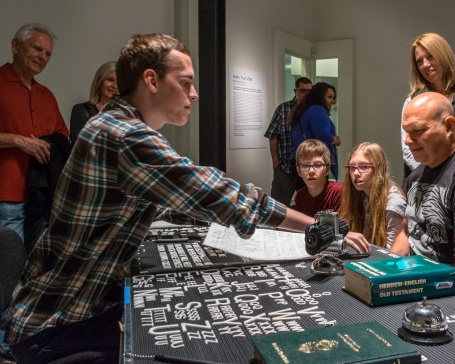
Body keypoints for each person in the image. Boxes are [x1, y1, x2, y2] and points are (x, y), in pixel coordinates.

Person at [3, 33, 371, 363]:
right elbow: (215, 192)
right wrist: (319, 228)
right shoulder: (126, 135)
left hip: (64, 309)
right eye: (185, 82)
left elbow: (180, 194)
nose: (194, 94)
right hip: (55, 325)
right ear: (151, 80)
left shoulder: (114, 126)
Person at [401, 92, 455, 285]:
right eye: (406, 131)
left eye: (418, 130)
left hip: (442, 289)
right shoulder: (414, 177)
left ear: (449, 126)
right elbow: (405, 233)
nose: (408, 140)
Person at [0, 23, 69, 243]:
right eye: (37, 49)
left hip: (41, 200)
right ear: (15, 46)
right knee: (10, 270)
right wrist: (16, 140)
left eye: (48, 54)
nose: (43, 57)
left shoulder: (46, 95)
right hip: (6, 197)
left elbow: (62, 138)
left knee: (35, 269)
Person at [401, 32, 455, 174]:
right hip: (424, 181)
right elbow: (409, 152)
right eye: (419, 61)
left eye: (431, 56)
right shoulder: (412, 102)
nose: (426, 64)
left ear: (444, 55)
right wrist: (434, 178)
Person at [341, 142, 409, 256]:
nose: (356, 173)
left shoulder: (393, 202)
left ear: (378, 169)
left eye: (364, 167)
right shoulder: (360, 194)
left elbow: (395, 254)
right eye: (352, 167)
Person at [264, 77, 312, 204]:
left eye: (309, 91)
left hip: (308, 168)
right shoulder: (283, 109)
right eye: (303, 91)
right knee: (278, 206)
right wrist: (276, 163)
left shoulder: (314, 111)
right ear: (295, 91)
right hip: (285, 167)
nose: (306, 94)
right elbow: (272, 135)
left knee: (309, 206)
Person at [290, 82, 341, 179]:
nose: (332, 101)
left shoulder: (305, 109)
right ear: (320, 96)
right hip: (314, 162)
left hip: (303, 161)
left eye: (333, 98)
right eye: (329, 97)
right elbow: (323, 137)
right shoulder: (317, 110)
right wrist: (334, 139)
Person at [69, 61, 118, 144]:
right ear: (99, 82)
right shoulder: (81, 110)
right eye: (110, 80)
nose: (115, 86)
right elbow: (82, 145)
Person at [293, 139, 342, 216]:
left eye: (318, 165)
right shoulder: (300, 196)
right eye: (305, 166)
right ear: (299, 171)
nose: (311, 171)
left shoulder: (338, 191)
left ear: (327, 170)